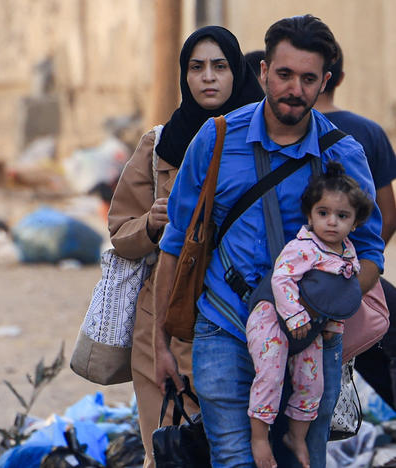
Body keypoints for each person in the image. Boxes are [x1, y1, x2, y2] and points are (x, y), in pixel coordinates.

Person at [153, 14, 384, 467]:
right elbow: (176, 245)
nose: (294, 88)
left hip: (311, 341)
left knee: (301, 458)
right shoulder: (216, 139)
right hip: (224, 325)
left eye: (307, 78)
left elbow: (373, 255)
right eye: (283, 74)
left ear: (325, 82)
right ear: (262, 73)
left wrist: (323, 305)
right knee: (235, 458)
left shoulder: (343, 154)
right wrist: (161, 346)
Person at [107, 26, 264, 468]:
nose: (208, 78)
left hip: (240, 320)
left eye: (220, 66)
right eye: (196, 68)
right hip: (162, 321)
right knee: (170, 453)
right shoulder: (159, 146)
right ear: (184, 76)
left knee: (232, 453)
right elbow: (120, 231)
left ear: (239, 73)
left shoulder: (262, 145)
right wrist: (151, 226)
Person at [247, 162, 373, 468]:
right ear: (310, 215)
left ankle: (296, 436)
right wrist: (293, 315)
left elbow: (338, 296)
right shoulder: (303, 247)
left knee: (312, 385)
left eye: (342, 216)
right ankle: (259, 438)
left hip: (312, 328)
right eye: (323, 213)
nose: (331, 222)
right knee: (271, 375)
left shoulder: (347, 254)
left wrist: (333, 326)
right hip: (273, 319)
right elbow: (282, 279)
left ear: (354, 223)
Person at [313, 43, 396, 406]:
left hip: (301, 285)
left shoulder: (288, 133)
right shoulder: (369, 131)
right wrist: (362, 265)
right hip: (359, 283)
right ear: (338, 79)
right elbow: (389, 211)